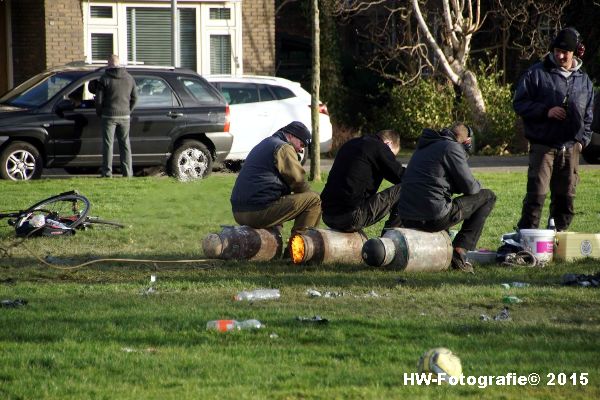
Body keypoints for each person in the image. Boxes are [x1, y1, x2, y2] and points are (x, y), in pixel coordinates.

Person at [513, 28, 594, 232]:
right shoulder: (536, 74)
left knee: (565, 198)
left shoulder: (584, 81)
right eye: (557, 50)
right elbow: (519, 103)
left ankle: (559, 240)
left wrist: (582, 140)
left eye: (565, 52)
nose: (560, 55)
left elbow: (589, 114)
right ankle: (527, 238)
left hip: (571, 148)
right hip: (543, 146)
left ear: (575, 52)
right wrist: (546, 111)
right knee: (536, 196)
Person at [396, 123, 496, 272]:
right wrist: (477, 183)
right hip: (432, 218)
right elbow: (470, 188)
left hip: (406, 218)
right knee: (487, 196)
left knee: (441, 199)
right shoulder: (451, 147)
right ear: (467, 141)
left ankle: (446, 246)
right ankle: (460, 251)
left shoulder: (425, 146)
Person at [230, 121, 321, 237]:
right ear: (291, 135)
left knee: (284, 199)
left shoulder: (267, 143)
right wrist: (310, 201)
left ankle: (275, 242)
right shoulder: (284, 148)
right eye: (301, 144)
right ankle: (299, 249)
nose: (301, 149)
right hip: (256, 211)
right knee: (314, 200)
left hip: (239, 211)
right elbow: (299, 182)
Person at [320, 130, 404, 233]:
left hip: (327, 214)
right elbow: (402, 175)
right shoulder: (379, 147)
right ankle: (390, 239)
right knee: (407, 188)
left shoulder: (351, 144)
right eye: (391, 155)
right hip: (350, 217)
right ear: (388, 143)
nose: (390, 158)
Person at [96, 54, 138, 178]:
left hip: (108, 115)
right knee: (125, 144)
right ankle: (128, 173)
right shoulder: (130, 78)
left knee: (108, 145)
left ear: (109, 64)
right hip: (125, 116)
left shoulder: (104, 78)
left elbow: (99, 100)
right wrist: (128, 111)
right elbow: (135, 98)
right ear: (119, 63)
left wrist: (100, 112)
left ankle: (107, 173)